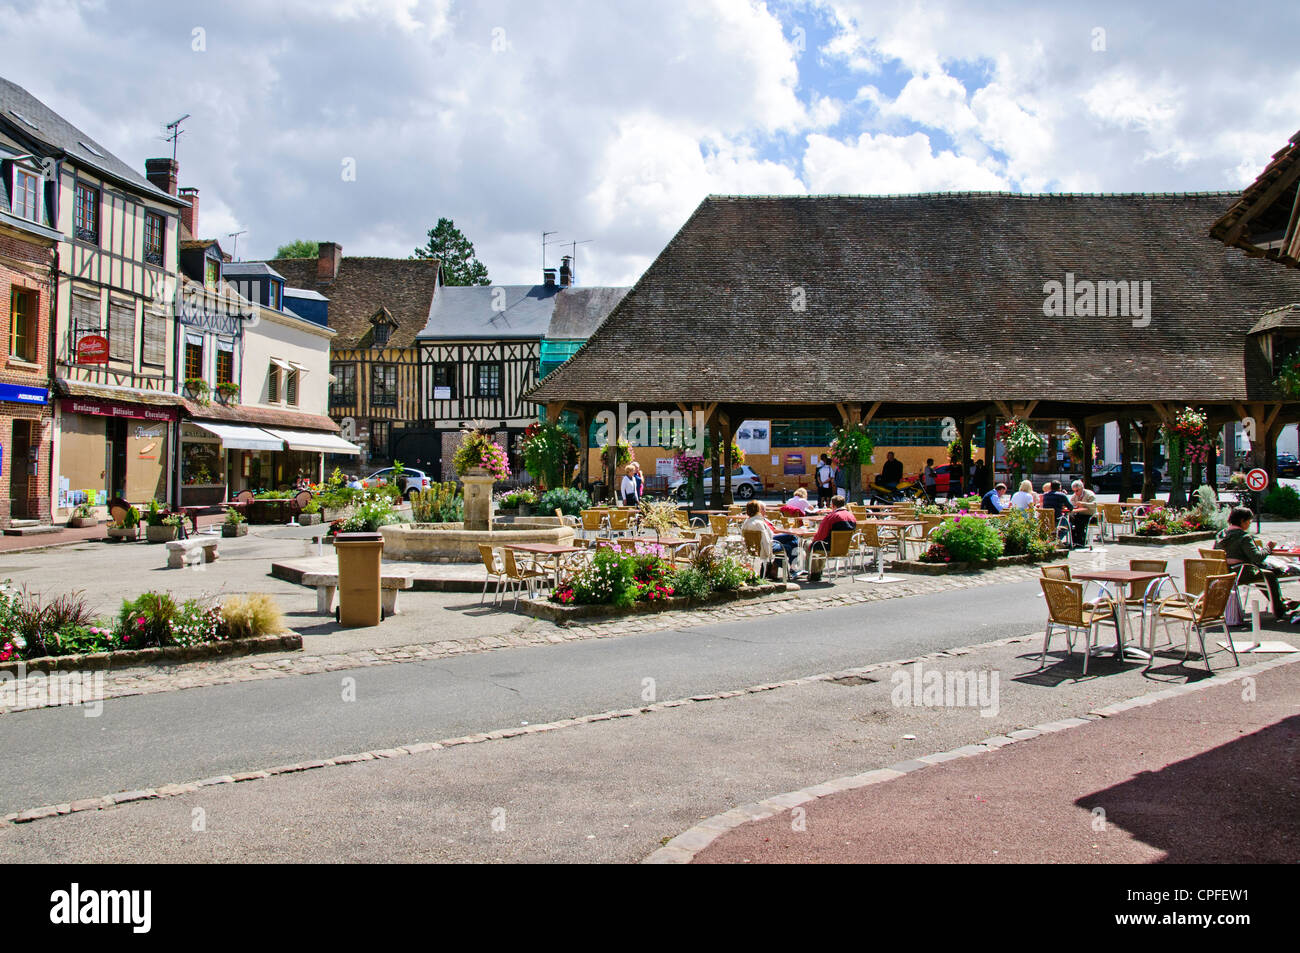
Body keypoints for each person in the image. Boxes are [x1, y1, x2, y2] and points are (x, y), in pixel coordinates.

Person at [1216, 507, 1300, 616]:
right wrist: (1268, 548)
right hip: (1242, 572)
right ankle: (1279, 607)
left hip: (1226, 571)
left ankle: (1282, 601)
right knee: (1269, 574)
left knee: (1263, 573)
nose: (1249, 525)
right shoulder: (1243, 537)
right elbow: (1257, 557)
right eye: (1249, 522)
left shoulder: (1221, 535)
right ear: (1242, 521)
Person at [742, 500, 802, 579]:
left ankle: (778, 567)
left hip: (753, 548)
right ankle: (783, 567)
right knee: (789, 546)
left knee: (791, 540)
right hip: (764, 548)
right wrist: (768, 554)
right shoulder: (759, 523)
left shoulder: (746, 522)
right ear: (757, 510)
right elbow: (766, 540)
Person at [1068, 479, 1097, 549]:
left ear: (1082, 488)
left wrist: (1083, 504)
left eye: (1077, 490)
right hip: (1079, 514)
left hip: (1089, 515)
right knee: (1070, 522)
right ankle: (1073, 541)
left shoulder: (1089, 494)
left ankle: (1080, 542)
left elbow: (1094, 505)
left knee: (1079, 522)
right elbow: (1071, 503)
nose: (1075, 492)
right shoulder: (1074, 496)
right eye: (1074, 491)